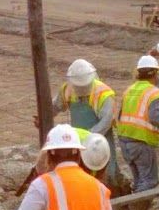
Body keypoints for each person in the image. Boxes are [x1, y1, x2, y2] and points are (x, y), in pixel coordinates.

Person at [115, 55, 159, 210]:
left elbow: (120, 114)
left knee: (139, 179)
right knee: (150, 181)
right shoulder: (155, 93)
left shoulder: (129, 90)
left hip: (124, 141)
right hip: (142, 142)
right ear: (154, 74)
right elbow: (155, 117)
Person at [52, 59, 121, 191]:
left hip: (100, 140)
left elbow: (106, 121)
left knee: (107, 169)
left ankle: (115, 191)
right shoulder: (68, 89)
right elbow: (55, 106)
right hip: (78, 141)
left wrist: (90, 137)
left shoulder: (103, 93)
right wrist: (44, 116)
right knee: (82, 171)